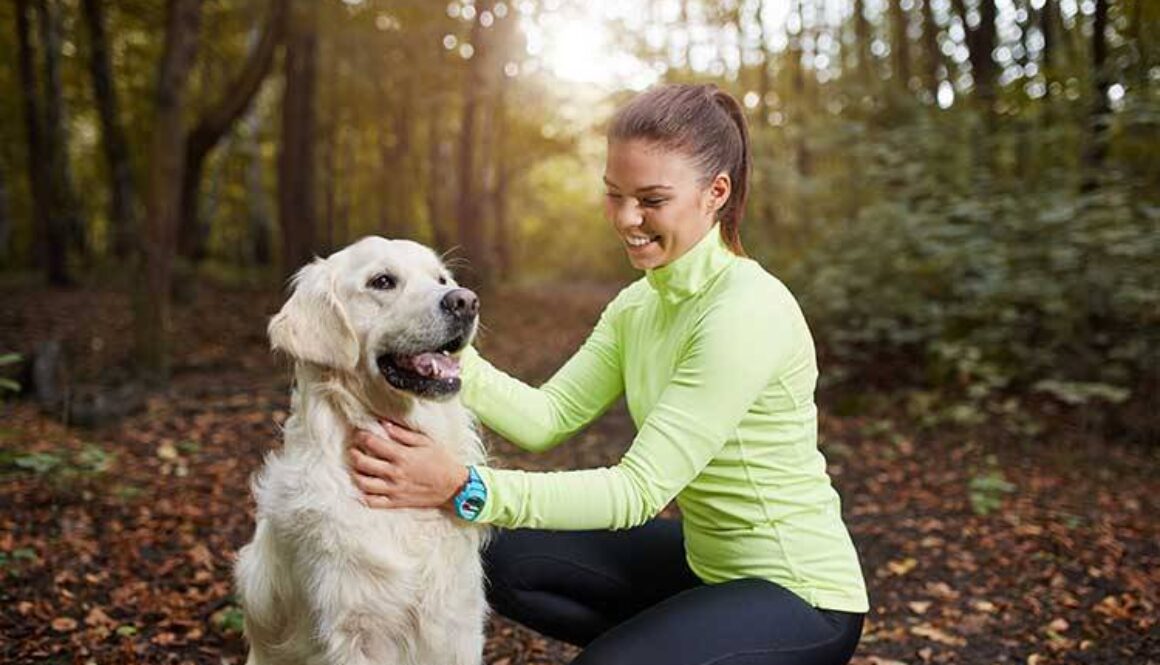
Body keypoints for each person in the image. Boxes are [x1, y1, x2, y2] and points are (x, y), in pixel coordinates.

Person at [349, 83, 868, 665]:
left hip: (802, 596)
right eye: (614, 194)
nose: (626, 218)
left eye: (651, 200)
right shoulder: (639, 305)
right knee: (498, 555)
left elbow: (636, 492)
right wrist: (441, 351)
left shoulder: (745, 310)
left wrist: (465, 486)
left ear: (716, 192)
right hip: (706, 568)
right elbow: (548, 418)